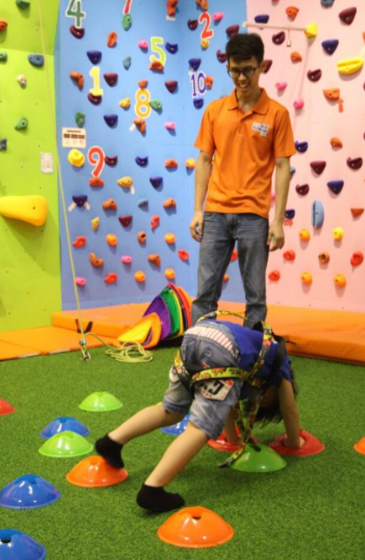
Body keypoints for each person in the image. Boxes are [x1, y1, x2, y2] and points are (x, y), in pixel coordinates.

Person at [96, 313, 303, 513]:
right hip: (222, 348)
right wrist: (294, 443)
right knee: (200, 428)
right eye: (266, 399)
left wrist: (233, 439)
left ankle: (112, 441)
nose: (260, 399)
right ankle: (153, 489)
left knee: (170, 411)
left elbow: (227, 405)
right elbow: (289, 409)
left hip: (196, 335)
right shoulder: (280, 361)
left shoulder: (253, 358)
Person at [190, 33, 296, 328]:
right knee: (205, 294)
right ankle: (199, 353)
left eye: (247, 70)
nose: (241, 78)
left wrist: (278, 220)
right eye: (234, 70)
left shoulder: (278, 114)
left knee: (255, 297)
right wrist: (198, 210)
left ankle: (254, 358)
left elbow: (283, 165)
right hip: (215, 212)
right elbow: (203, 160)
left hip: (254, 216)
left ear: (260, 67)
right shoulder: (215, 111)